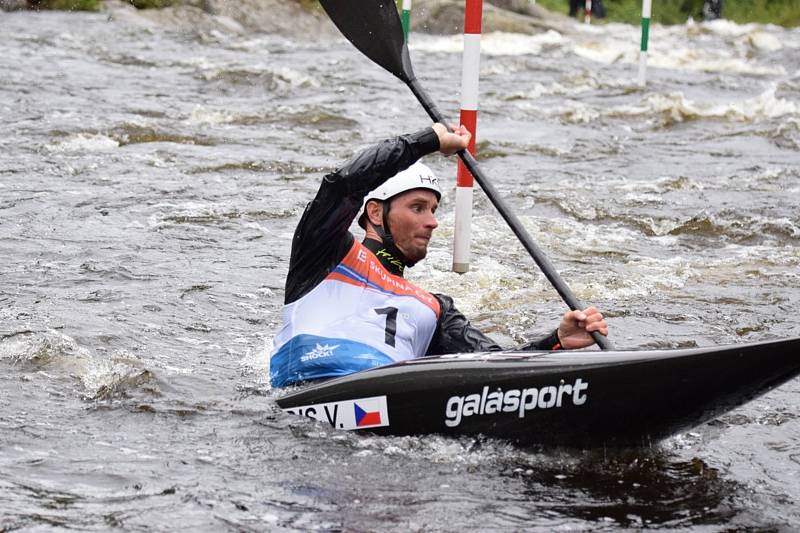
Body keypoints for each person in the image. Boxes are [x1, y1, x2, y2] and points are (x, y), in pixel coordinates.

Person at [269, 124, 609, 388]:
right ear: (375, 213)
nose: (432, 221)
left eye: (433, 209)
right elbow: (341, 184)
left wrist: (556, 342)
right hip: (305, 390)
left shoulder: (433, 307)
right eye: (417, 208)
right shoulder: (323, 253)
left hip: (386, 399)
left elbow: (494, 368)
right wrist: (427, 141)